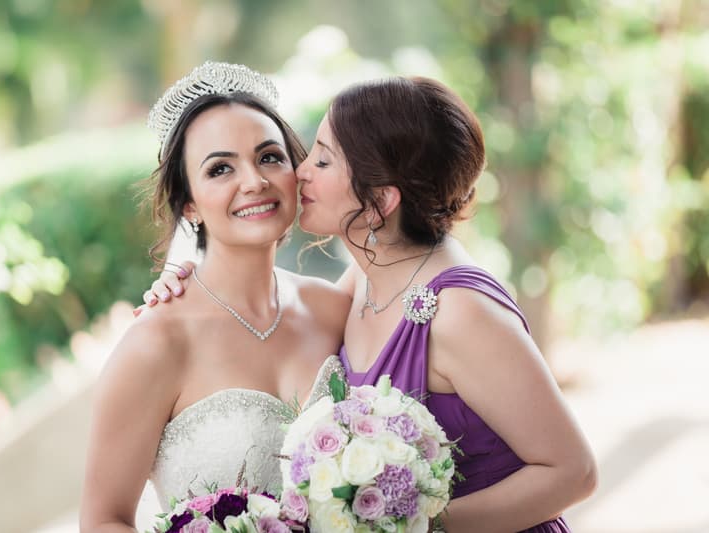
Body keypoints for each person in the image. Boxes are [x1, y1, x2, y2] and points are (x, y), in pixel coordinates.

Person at [147, 75, 597, 531]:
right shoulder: (366, 279)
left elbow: (574, 472)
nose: (300, 171)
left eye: (323, 160)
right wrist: (185, 281)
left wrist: (414, 526)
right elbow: (279, 308)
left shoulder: (460, 311)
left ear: (379, 201)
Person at [79, 62, 348, 532]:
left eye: (269, 157)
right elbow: (103, 521)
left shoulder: (334, 309)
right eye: (220, 168)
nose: (254, 181)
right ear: (189, 203)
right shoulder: (156, 342)